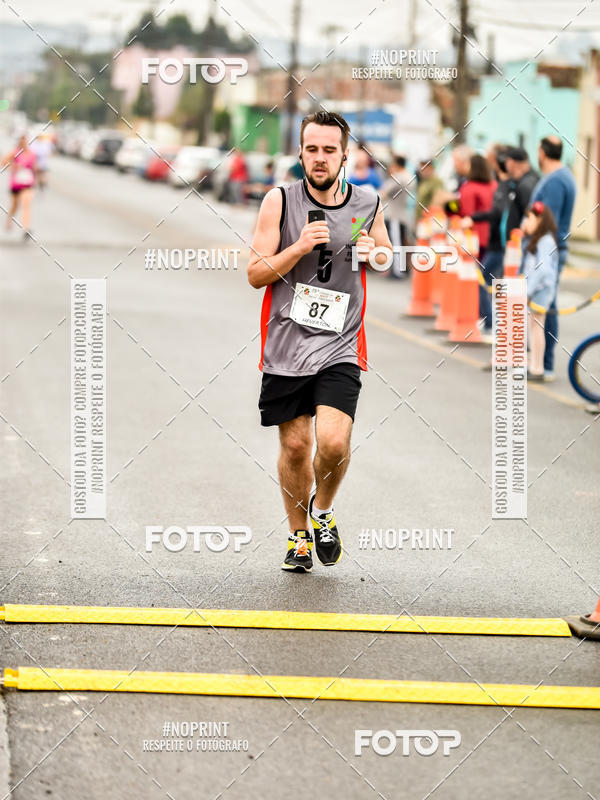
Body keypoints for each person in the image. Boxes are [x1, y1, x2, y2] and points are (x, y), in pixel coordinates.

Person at [247, 110, 392, 573]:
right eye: (312, 149)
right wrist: (298, 247)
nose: (321, 158)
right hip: (286, 345)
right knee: (294, 449)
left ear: (345, 155)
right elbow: (254, 274)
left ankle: (323, 511)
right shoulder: (280, 201)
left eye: (330, 150)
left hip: (340, 343)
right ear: (301, 152)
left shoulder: (366, 204)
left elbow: (382, 251)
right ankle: (297, 538)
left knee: (332, 442)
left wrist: (378, 253)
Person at [530, 136, 576, 381]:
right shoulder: (560, 177)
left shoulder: (556, 181)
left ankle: (544, 364)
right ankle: (540, 362)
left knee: (544, 306)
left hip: (547, 251)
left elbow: (547, 220)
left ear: (543, 153)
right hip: (548, 249)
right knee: (544, 306)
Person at [462, 146, 512, 337]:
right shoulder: (494, 186)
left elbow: (467, 212)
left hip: (479, 239)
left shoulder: (470, 188)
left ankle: (490, 322)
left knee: (481, 280)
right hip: (493, 238)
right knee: (494, 282)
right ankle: (495, 322)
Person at [520, 201, 559, 381]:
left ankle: (537, 368)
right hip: (538, 289)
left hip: (541, 290)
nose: (526, 222)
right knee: (534, 326)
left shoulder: (545, 241)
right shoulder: (539, 239)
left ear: (540, 220)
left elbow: (542, 270)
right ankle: (536, 365)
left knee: (536, 327)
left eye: (529, 218)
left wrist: (528, 291)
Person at [381, 155, 413, 278]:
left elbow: (383, 193)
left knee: (396, 243)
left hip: (394, 215)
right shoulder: (408, 176)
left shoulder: (399, 177)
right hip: (402, 215)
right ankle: (401, 270)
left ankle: (397, 271)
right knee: (401, 242)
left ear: (397, 165)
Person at [2, 134, 37, 240]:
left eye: (25, 141)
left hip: (27, 184)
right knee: (15, 205)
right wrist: (13, 167)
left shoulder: (31, 154)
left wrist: (36, 176)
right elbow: (3, 161)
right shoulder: (14, 153)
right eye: (21, 141)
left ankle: (26, 229)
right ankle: (9, 219)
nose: (23, 143)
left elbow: (34, 167)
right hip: (16, 184)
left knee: (26, 204)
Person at [504, 147, 539, 230]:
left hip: (520, 239)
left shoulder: (526, 186)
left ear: (511, 163)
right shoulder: (527, 180)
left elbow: (531, 217)